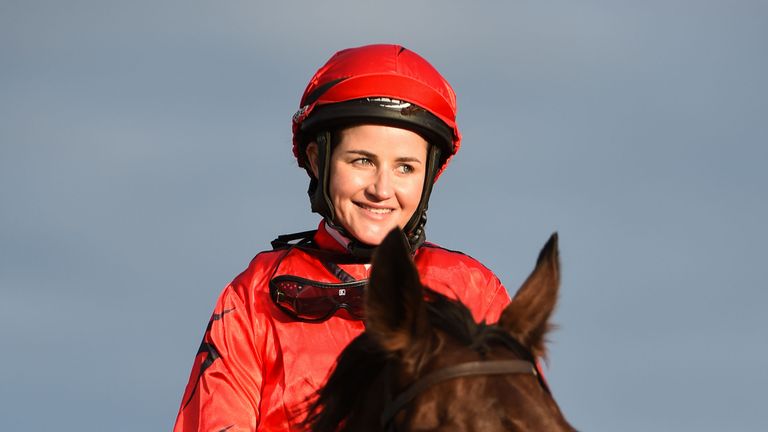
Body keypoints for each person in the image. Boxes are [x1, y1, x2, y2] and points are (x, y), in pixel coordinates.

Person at [173, 44, 511, 432]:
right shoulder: (254, 296)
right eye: (362, 161)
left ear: (428, 175)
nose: (382, 189)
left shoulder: (475, 292)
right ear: (319, 160)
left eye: (405, 167)